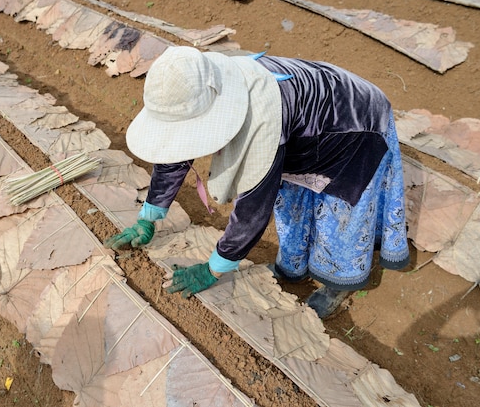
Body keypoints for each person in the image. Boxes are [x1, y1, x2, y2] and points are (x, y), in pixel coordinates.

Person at [104, 46, 410, 318]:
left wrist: (213, 269)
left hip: (352, 123)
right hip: (304, 120)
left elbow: (252, 208)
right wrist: (149, 216)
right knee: (291, 203)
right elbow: (175, 151)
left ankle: (337, 283)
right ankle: (291, 269)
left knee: (339, 215)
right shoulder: (203, 85)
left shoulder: (261, 119)